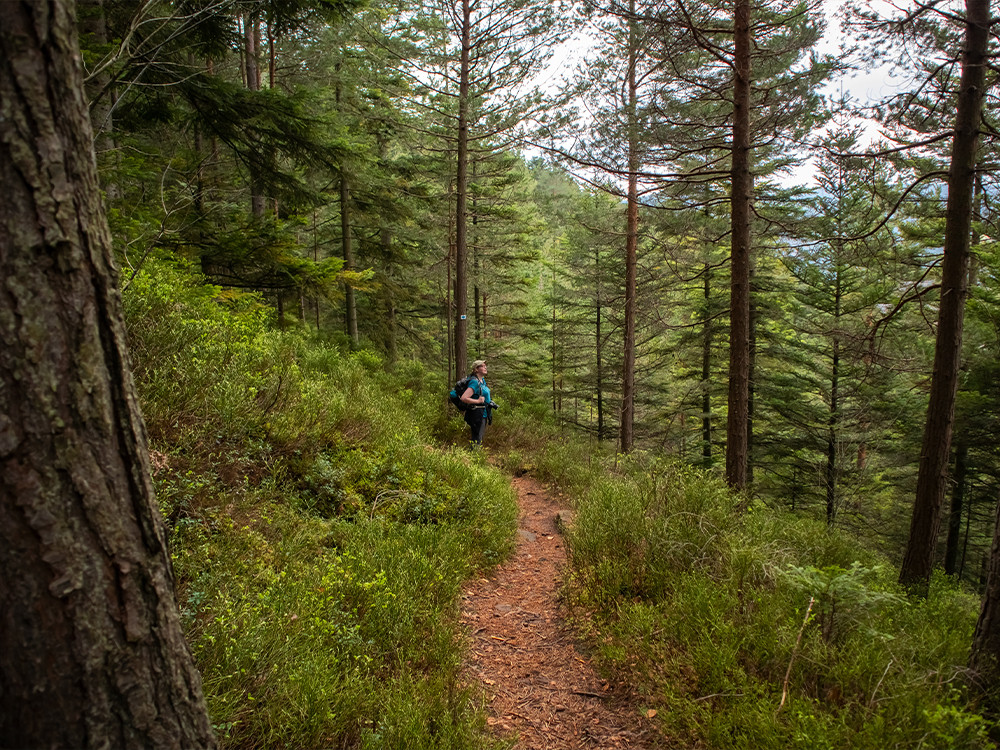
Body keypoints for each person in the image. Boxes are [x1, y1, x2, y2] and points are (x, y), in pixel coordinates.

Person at [461, 359, 494, 448]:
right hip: (477, 414)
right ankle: (474, 458)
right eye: (482, 366)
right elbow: (464, 398)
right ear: (476, 369)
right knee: (477, 439)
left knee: (478, 437)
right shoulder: (474, 382)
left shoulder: (482, 380)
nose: (485, 367)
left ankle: (474, 456)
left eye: (485, 365)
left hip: (483, 413)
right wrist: (478, 401)